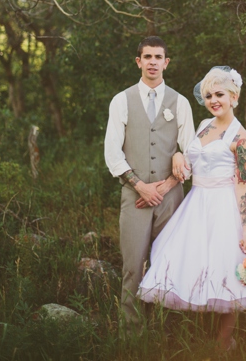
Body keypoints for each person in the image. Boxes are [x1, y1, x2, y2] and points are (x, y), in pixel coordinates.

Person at [137, 66, 246, 351]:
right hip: (196, 203)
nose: (214, 100)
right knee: (195, 263)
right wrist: (178, 154)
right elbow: (188, 161)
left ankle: (224, 342)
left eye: (220, 94)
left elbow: (243, 185)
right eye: (209, 95)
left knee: (226, 268)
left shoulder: (241, 139)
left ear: (234, 96)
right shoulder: (203, 124)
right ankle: (195, 332)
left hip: (224, 205)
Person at [103, 36, 195, 334]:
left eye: (159, 57)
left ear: (166, 62)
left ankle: (166, 330)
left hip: (171, 198)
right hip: (135, 197)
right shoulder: (122, 100)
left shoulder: (180, 102)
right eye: (147, 56)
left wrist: (165, 185)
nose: (153, 62)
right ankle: (131, 333)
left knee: (168, 264)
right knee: (133, 265)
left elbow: (191, 151)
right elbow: (112, 153)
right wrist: (141, 187)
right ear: (138, 61)